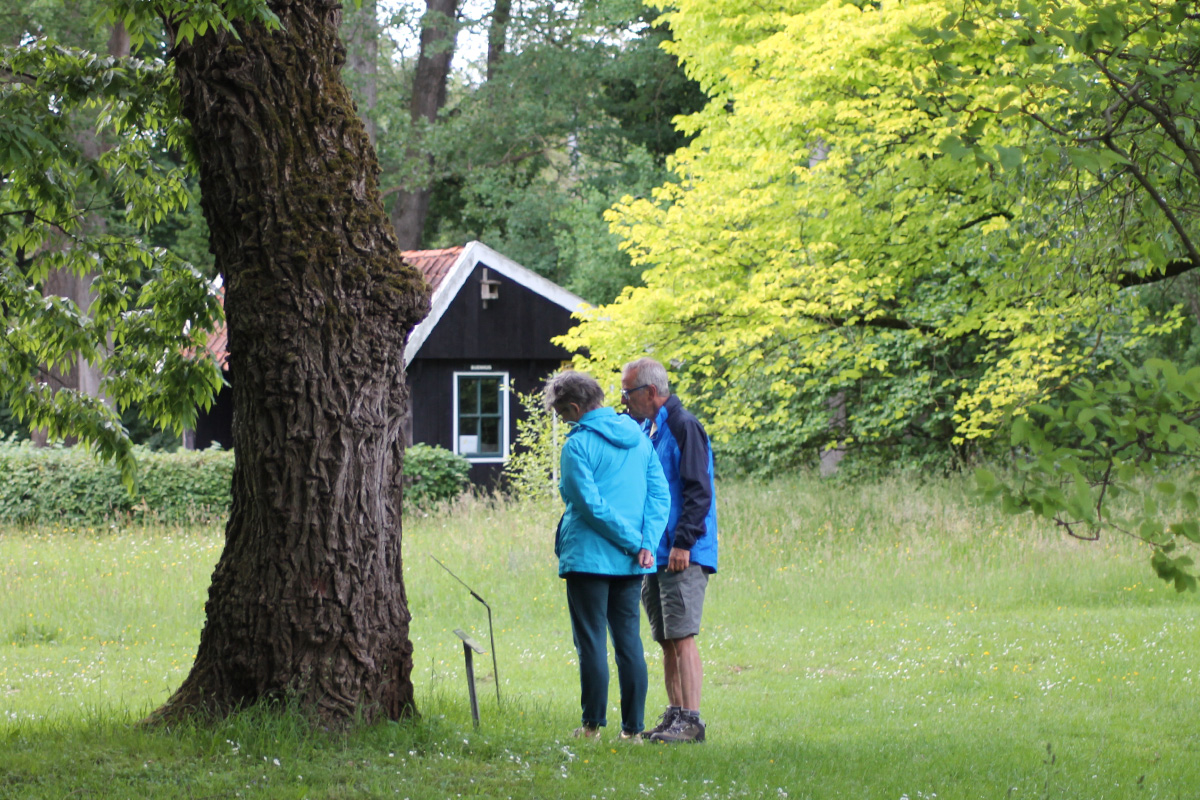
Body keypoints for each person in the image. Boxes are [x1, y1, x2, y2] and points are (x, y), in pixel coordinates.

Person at [545, 370, 671, 742]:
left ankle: (591, 727)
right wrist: (646, 542)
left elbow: (588, 505)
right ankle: (632, 731)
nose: (562, 422)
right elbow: (659, 496)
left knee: (591, 643)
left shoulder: (577, 446)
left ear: (573, 407)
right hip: (632, 562)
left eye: (561, 415)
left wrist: (635, 542)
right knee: (629, 642)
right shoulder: (640, 438)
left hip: (588, 559)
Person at [621, 357, 718, 744]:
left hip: (684, 551)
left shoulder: (683, 426)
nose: (624, 400)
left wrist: (683, 542)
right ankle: (675, 714)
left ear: (650, 392)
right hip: (657, 551)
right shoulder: (649, 428)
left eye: (628, 392)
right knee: (664, 637)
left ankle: (692, 721)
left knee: (683, 635)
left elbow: (698, 489)